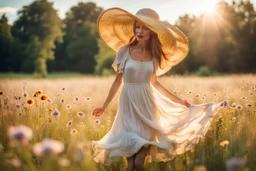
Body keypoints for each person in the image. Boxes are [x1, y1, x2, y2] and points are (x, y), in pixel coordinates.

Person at [92, 8, 227, 171]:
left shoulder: (154, 56)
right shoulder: (124, 51)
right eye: (138, 26)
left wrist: (179, 101)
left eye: (145, 27)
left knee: (139, 164)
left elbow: (154, 83)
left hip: (148, 107)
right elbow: (117, 81)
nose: (140, 31)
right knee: (130, 166)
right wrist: (104, 105)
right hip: (127, 107)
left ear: (152, 32)